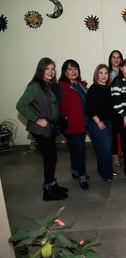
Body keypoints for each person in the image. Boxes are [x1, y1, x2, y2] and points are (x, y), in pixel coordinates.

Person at [16, 57, 69, 201]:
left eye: (53, 69)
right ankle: (48, 191)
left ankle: (52, 184)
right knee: (50, 157)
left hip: (50, 127)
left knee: (52, 157)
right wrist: (37, 119)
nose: (51, 72)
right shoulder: (35, 86)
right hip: (40, 129)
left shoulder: (50, 85)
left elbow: (53, 105)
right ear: (41, 69)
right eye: (47, 69)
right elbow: (20, 105)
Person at [58, 59, 89, 190]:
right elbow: (56, 105)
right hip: (70, 125)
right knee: (80, 149)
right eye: (70, 69)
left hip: (83, 123)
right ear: (65, 72)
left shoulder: (82, 85)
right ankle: (82, 176)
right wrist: (63, 116)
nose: (73, 71)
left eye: (75, 68)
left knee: (75, 149)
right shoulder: (61, 87)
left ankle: (75, 170)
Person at [86, 64, 114, 183]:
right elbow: (89, 109)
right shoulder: (93, 88)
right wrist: (99, 122)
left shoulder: (108, 89)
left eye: (106, 73)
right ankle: (107, 174)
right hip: (96, 123)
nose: (103, 76)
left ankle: (102, 170)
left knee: (103, 148)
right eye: (101, 73)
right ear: (97, 74)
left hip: (108, 122)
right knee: (106, 149)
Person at [108, 50, 124, 168]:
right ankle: (114, 155)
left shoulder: (125, 72)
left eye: (118, 57)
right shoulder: (107, 73)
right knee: (113, 133)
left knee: (123, 131)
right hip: (112, 107)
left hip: (123, 106)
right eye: (114, 57)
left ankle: (123, 151)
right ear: (110, 59)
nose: (116, 60)